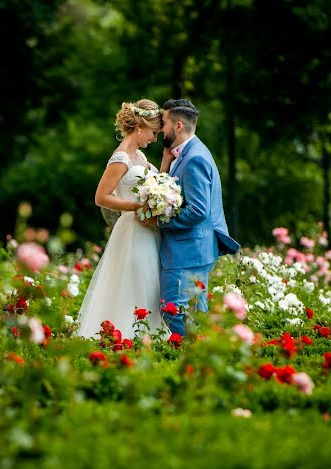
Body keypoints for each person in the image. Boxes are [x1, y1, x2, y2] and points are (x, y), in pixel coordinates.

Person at [75, 100, 172, 340]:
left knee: (150, 283)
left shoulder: (139, 156)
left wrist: (165, 164)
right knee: (134, 282)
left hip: (149, 229)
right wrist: (135, 207)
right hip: (132, 229)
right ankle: (128, 337)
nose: (153, 138)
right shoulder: (121, 159)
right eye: (153, 133)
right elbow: (101, 197)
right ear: (140, 127)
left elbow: (154, 183)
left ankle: (149, 338)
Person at [154, 98, 240, 336]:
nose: (161, 128)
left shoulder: (194, 158)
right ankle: (202, 363)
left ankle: (196, 359)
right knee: (195, 313)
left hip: (187, 252)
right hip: (193, 250)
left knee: (173, 310)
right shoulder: (188, 153)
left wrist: (159, 220)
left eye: (164, 123)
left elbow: (198, 210)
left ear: (178, 126)